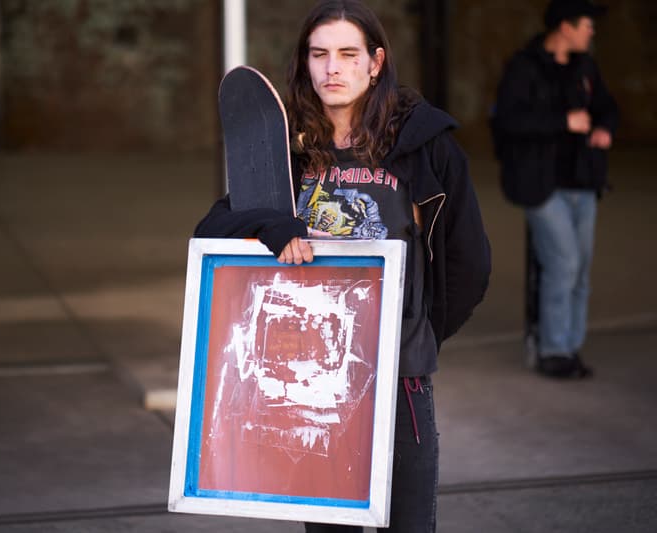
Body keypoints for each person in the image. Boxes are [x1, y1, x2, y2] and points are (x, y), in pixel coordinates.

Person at [195, 1, 490, 530]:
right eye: (319, 54)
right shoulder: (288, 151)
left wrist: (414, 337)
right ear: (306, 63)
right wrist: (271, 223)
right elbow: (210, 231)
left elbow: (470, 263)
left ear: (375, 63)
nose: (333, 68)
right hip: (312, 392)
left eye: (348, 54)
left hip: (399, 382)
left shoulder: (426, 148)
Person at [492, 0, 617, 379]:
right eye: (586, 24)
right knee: (563, 263)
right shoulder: (523, 68)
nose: (592, 31)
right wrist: (563, 121)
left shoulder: (586, 67)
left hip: (583, 182)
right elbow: (507, 121)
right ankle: (553, 349)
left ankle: (569, 346)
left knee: (579, 270)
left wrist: (604, 128)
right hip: (540, 185)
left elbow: (608, 107)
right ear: (565, 27)